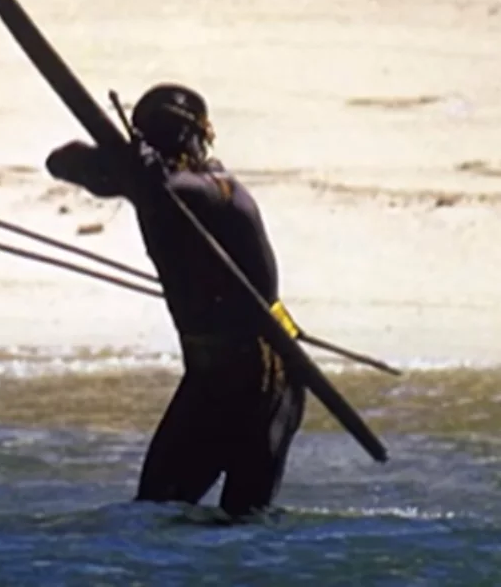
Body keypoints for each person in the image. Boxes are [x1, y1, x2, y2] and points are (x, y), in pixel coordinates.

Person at [44, 83, 306, 519]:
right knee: (154, 513)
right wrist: (118, 162)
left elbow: (183, 190)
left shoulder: (217, 191)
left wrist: (141, 174)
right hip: (207, 377)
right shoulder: (147, 183)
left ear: (195, 139)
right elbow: (60, 162)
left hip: (267, 374)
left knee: (246, 520)